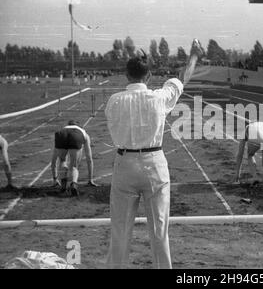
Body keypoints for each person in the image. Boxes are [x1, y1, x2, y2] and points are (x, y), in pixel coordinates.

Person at [104, 39, 204, 269]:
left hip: (124, 164)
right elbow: (181, 80)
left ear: (126, 75)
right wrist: (194, 56)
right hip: (154, 164)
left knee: (119, 231)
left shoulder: (114, 101)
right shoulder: (159, 98)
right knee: (159, 231)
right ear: (148, 76)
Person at [51, 120, 98, 196]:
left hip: (61, 135)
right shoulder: (83, 132)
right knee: (74, 165)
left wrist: (55, 178)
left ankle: (63, 185)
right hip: (76, 137)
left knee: (62, 161)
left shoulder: (63, 129)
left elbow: (53, 160)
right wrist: (90, 179)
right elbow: (89, 158)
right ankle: (73, 184)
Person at [235, 122, 263, 191]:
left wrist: (237, 175)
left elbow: (240, 154)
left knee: (250, 155)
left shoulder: (247, 129)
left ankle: (255, 177)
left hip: (256, 134)